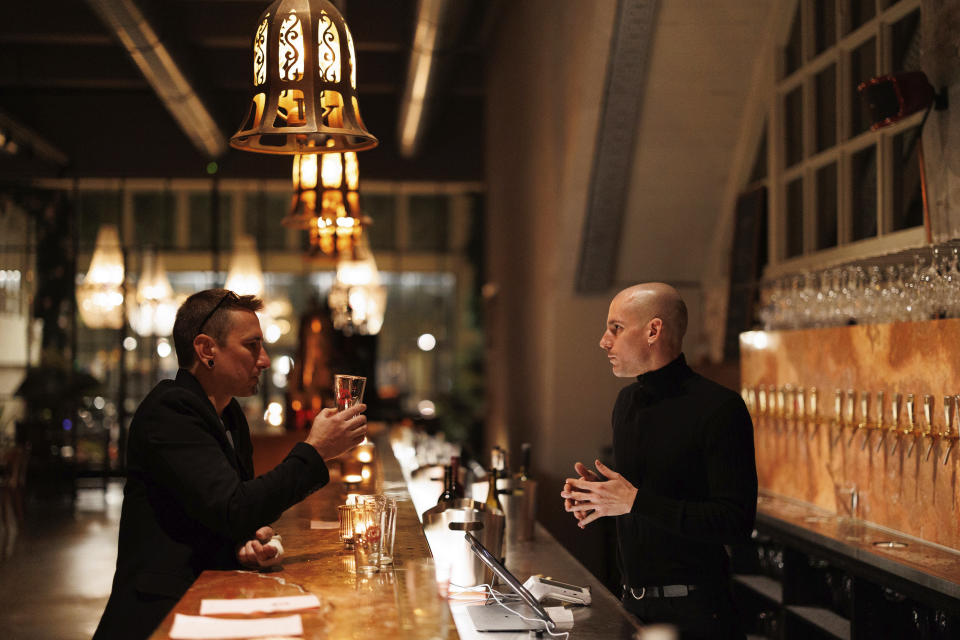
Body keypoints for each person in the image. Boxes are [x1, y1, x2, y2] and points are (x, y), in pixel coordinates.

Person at [94, 289, 367, 640]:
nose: (265, 360)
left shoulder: (229, 413)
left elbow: (215, 511)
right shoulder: (169, 411)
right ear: (207, 349)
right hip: (160, 615)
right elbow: (232, 507)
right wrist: (315, 451)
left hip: (208, 597)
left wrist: (241, 545)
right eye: (252, 346)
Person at [560, 283, 757, 640]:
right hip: (633, 605)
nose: (604, 341)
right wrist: (600, 497)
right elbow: (645, 499)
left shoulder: (719, 408)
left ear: (653, 330)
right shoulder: (626, 404)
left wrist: (634, 500)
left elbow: (736, 523)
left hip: (698, 614)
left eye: (615, 329)